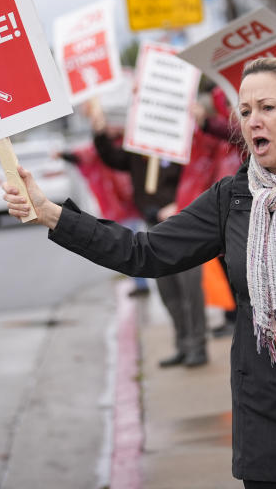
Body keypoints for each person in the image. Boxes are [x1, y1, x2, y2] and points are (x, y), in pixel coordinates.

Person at [4, 57, 276, 488]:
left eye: (268, 108)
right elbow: (144, 252)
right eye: (245, 111)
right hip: (270, 428)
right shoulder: (231, 200)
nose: (253, 120)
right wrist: (51, 214)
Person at [89, 104, 208, 368]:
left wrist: (179, 204)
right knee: (168, 291)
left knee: (190, 291)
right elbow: (111, 158)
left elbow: (199, 175)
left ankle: (198, 346)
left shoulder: (181, 147)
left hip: (184, 227)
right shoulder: (137, 150)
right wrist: (99, 131)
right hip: (154, 229)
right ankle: (183, 344)